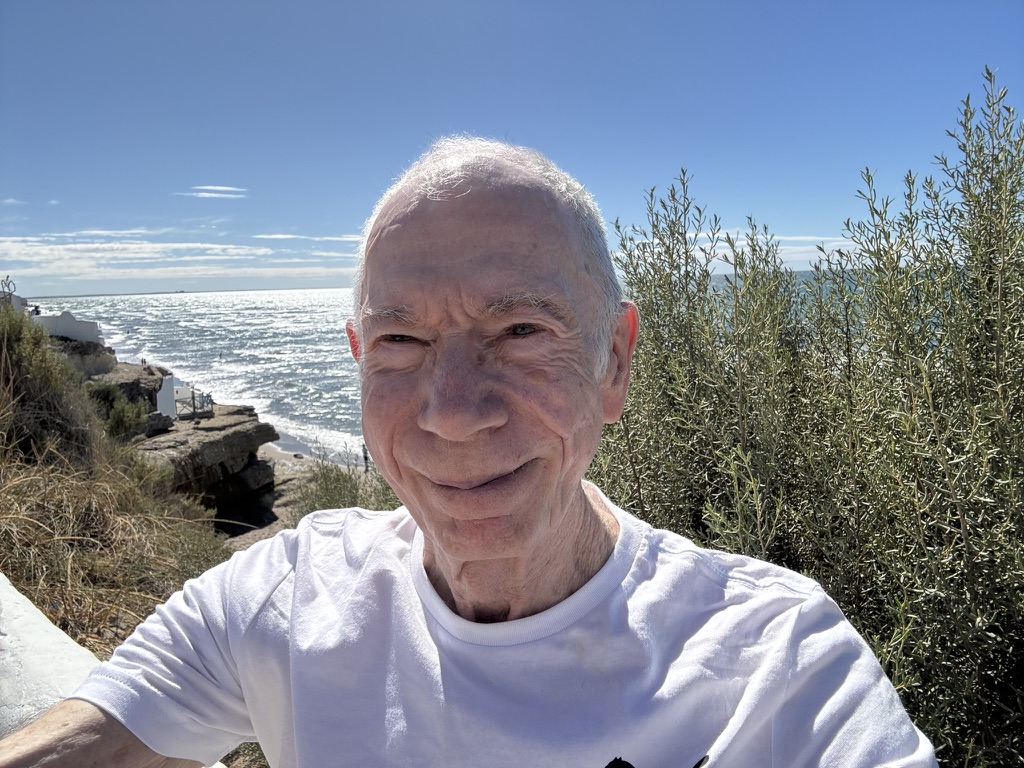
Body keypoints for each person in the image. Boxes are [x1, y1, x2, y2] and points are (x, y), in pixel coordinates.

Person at [0, 137, 937, 767]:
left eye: (521, 329)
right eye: (402, 343)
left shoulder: (775, 664)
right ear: (361, 360)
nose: (452, 413)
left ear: (614, 362)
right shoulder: (283, 594)